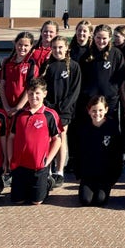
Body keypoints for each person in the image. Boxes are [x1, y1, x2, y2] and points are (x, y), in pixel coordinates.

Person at [8, 78, 62, 205]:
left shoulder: (50, 114)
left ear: (44, 94)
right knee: (18, 200)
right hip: (20, 166)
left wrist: (47, 161)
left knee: (36, 201)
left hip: (38, 167)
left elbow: (57, 140)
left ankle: (47, 182)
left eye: (37, 93)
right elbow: (11, 137)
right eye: (31, 93)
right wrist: (10, 158)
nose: (34, 96)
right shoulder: (20, 114)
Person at [39, 36, 81, 187]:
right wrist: (49, 106)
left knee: (62, 138)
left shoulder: (74, 66)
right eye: (55, 48)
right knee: (49, 138)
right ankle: (48, 170)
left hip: (64, 111)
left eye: (60, 47)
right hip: (49, 110)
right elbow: (42, 87)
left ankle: (60, 171)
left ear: (67, 48)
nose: (58, 50)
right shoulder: (47, 66)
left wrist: (63, 107)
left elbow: (75, 90)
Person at [76, 95, 124, 206]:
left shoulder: (112, 128)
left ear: (106, 110)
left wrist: (113, 178)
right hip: (89, 174)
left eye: (100, 110)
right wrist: (79, 175)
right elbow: (78, 153)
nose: (97, 113)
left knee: (100, 200)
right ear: (89, 111)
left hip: (105, 175)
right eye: (94, 110)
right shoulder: (84, 128)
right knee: (85, 200)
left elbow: (118, 154)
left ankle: (103, 189)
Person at [78, 24, 125, 117]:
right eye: (98, 37)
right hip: (90, 100)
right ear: (93, 36)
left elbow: (121, 77)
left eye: (104, 38)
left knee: (109, 128)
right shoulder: (86, 54)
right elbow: (81, 77)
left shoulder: (116, 54)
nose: (101, 41)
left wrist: (113, 92)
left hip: (110, 100)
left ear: (110, 38)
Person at [0, 31, 36, 119]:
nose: (22, 48)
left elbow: (30, 87)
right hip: (7, 107)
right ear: (15, 44)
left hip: (23, 107)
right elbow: (2, 85)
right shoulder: (7, 61)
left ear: (31, 46)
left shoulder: (31, 63)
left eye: (26, 45)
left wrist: (18, 107)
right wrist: (6, 107)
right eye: (20, 44)